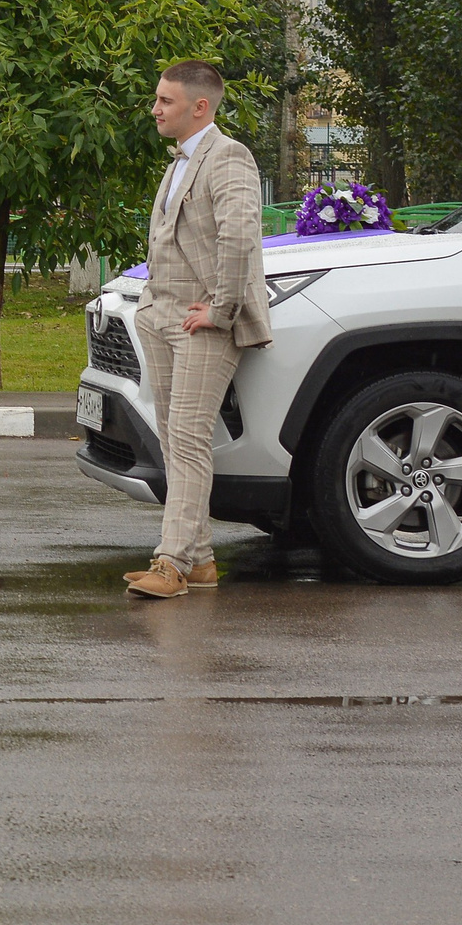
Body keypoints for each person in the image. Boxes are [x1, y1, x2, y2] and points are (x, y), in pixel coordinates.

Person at [125, 60, 272, 601]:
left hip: (202, 322)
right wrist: (149, 306)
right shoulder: (179, 162)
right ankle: (203, 560)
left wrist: (223, 309)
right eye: (158, 99)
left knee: (187, 441)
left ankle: (172, 562)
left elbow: (240, 237)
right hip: (163, 315)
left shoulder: (228, 156)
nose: (155, 109)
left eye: (165, 101)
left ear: (200, 107)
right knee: (174, 441)